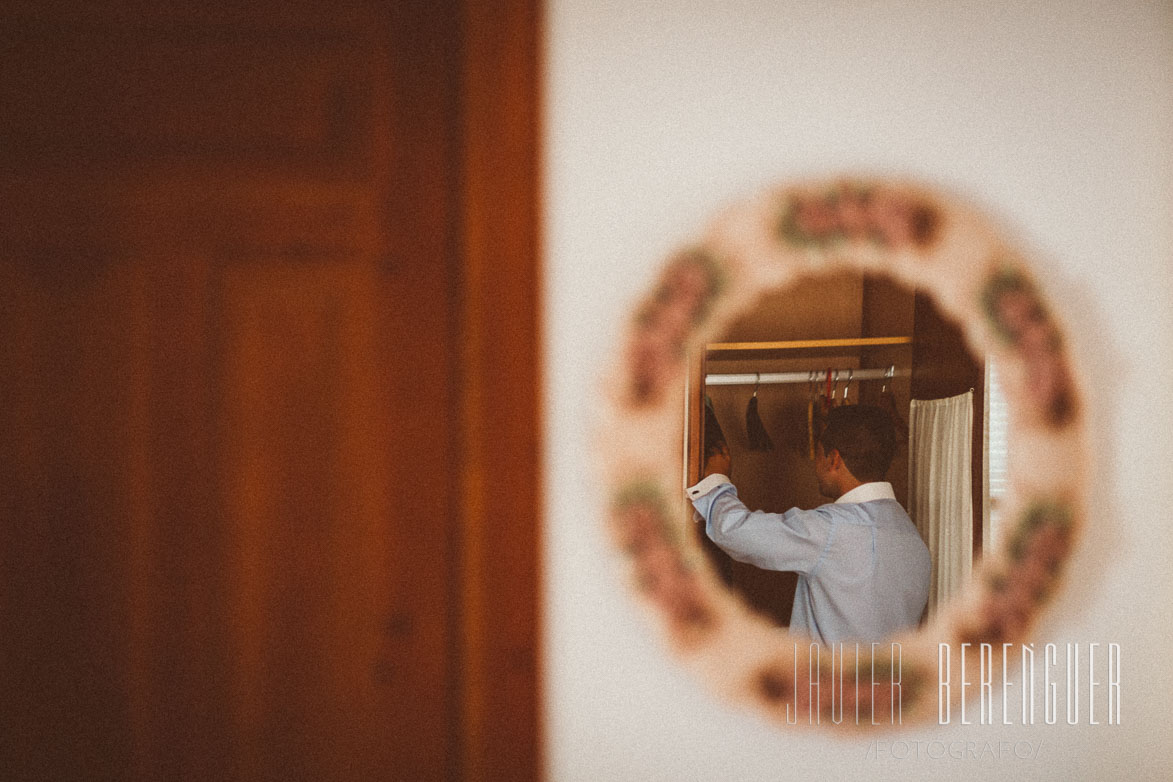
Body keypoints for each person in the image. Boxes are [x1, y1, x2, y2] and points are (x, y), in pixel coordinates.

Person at [686, 404, 930, 644]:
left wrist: (716, 480)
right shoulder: (912, 538)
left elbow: (734, 530)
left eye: (819, 455)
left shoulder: (831, 530)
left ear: (833, 459)